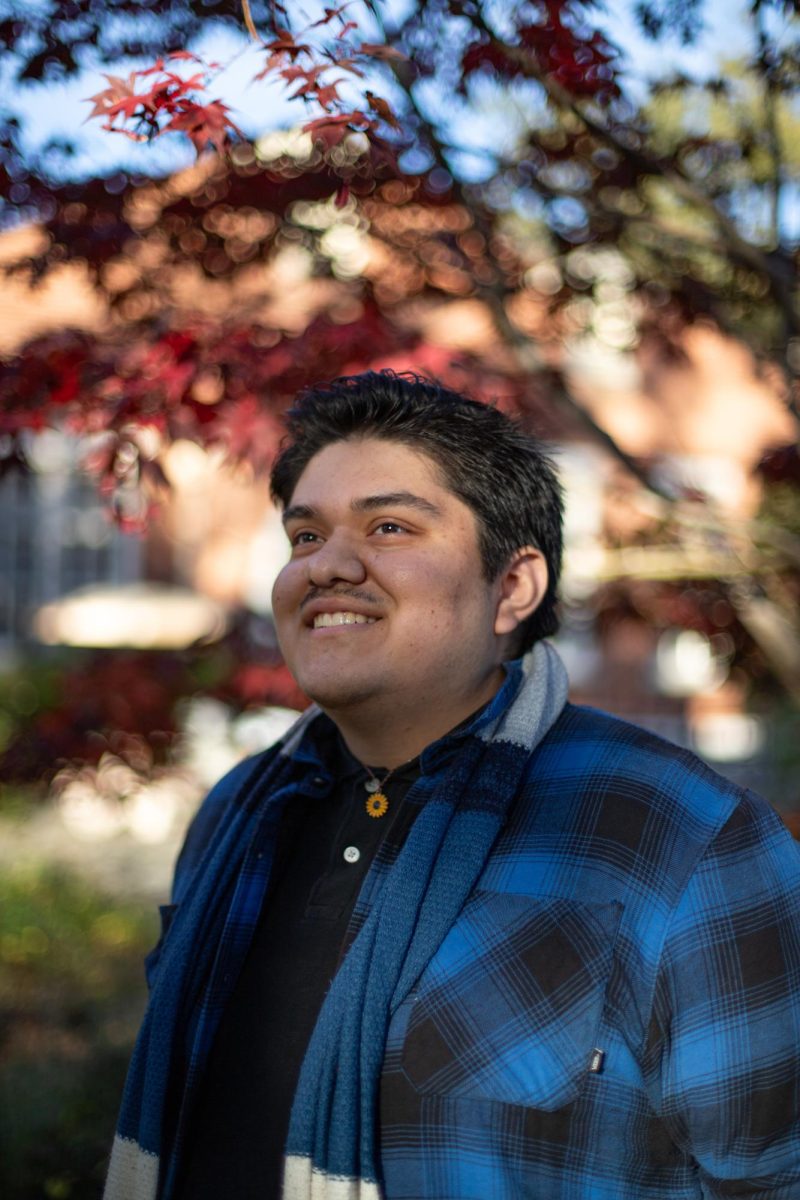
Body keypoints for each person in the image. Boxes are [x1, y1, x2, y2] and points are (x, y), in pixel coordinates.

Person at [105, 371, 800, 1200]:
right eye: (305, 536)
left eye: (389, 526)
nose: (327, 566)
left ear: (513, 587)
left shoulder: (681, 834)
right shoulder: (239, 814)